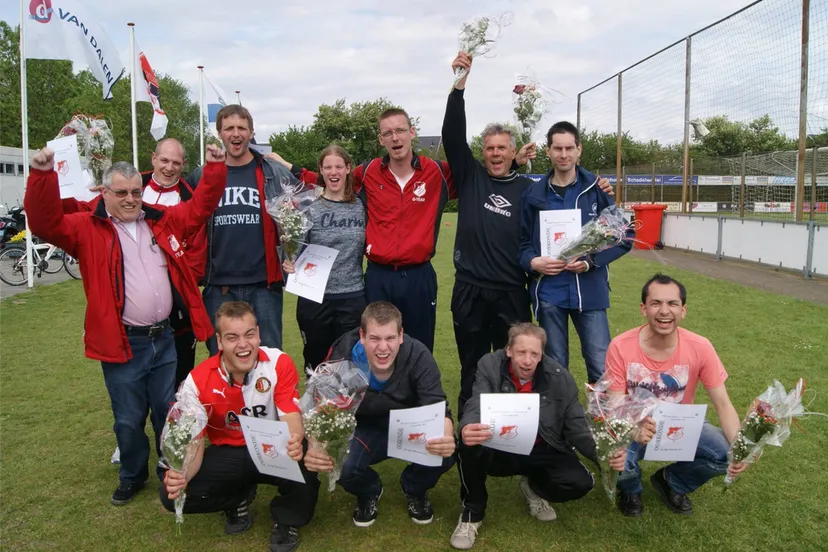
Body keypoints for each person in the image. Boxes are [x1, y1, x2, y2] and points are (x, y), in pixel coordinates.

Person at [24, 145, 227, 506]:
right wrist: (42, 175)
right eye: (121, 193)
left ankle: (172, 467)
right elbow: (43, 223)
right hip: (123, 343)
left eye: (135, 191)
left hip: (164, 338)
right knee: (129, 419)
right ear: (105, 193)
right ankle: (132, 475)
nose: (131, 199)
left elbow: (200, 208)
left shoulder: (159, 219)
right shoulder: (85, 228)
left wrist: (213, 168)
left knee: (168, 409)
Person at [268, 111, 533, 352]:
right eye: (388, 133)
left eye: (400, 130)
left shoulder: (438, 172)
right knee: (376, 347)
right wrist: (290, 167)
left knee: (419, 347)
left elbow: (481, 176)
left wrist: (513, 164)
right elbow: (332, 179)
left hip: (419, 277)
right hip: (378, 277)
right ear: (381, 139)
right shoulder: (369, 171)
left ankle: (420, 403)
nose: (395, 138)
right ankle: (378, 404)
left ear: (411, 133)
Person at [443, 51, 618, 415]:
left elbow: (568, 212)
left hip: (512, 290)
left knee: (516, 367)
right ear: (482, 152)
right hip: (470, 289)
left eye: (501, 148)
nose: (495, 154)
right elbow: (451, 134)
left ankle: (514, 428)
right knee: (472, 364)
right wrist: (459, 83)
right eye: (489, 148)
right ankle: (470, 429)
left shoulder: (529, 188)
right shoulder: (471, 176)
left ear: (512, 153)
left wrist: (600, 188)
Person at [450, 322, 630, 550]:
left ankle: (534, 488)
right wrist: (467, 426)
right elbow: (476, 400)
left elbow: (576, 426)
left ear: (542, 355)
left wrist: (604, 454)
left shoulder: (560, 377)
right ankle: (472, 514)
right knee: (468, 443)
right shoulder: (489, 365)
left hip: (542, 446)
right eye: (521, 352)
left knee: (580, 483)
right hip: (498, 447)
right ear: (508, 350)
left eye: (534, 354)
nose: (527, 360)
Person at [162, 301, 319, 552]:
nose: (243, 344)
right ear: (219, 341)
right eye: (232, 337)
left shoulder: (278, 362)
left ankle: (286, 519)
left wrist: (294, 438)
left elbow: (290, 412)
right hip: (229, 453)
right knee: (171, 495)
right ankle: (237, 499)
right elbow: (195, 442)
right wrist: (182, 477)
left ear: (258, 333)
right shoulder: (197, 380)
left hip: (272, 447)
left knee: (305, 456)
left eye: (249, 334)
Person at [62, 137, 204, 388]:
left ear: (184, 165)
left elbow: (197, 252)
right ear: (153, 158)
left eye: (175, 162)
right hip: (129, 312)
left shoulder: (188, 197)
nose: (169, 167)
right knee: (134, 385)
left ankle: (173, 422)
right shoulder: (130, 185)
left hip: (175, 308)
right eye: (164, 160)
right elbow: (92, 214)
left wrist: (176, 287)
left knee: (176, 382)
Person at [303, 301, 456, 527]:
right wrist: (315, 446)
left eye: (390, 338)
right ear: (362, 336)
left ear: (401, 335)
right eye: (374, 338)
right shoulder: (342, 355)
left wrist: (445, 438)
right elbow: (320, 409)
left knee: (446, 451)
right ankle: (369, 490)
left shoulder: (419, 355)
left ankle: (414, 487)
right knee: (342, 464)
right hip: (364, 428)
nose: (383, 348)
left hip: (410, 427)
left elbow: (438, 408)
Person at [606, 273, 746, 517]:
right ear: (643, 308)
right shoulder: (620, 346)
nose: (664, 311)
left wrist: (742, 449)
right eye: (656, 303)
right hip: (634, 425)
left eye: (672, 304)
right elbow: (615, 406)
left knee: (724, 453)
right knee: (616, 454)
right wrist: (633, 431)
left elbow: (723, 403)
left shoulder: (700, 346)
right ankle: (631, 489)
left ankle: (672, 482)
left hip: (679, 426)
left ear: (683, 310)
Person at [518, 121, 632, 384]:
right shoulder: (533, 195)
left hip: (590, 291)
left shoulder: (597, 189)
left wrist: (591, 261)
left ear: (579, 150)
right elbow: (523, 245)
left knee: (601, 364)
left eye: (569, 148)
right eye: (557, 148)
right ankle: (560, 424)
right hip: (549, 292)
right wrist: (534, 262)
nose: (564, 154)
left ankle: (604, 423)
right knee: (555, 367)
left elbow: (624, 236)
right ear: (548, 151)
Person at [186, 104, 300, 354]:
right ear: (219, 133)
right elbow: (172, 194)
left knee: (268, 359)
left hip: (264, 285)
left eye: (241, 128)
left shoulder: (273, 172)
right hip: (219, 285)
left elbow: (307, 204)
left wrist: (294, 255)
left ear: (251, 132)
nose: (235, 134)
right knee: (223, 360)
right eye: (229, 128)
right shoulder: (202, 175)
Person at [282, 145, 366, 376]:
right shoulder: (309, 208)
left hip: (352, 296)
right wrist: (289, 261)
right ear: (321, 170)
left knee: (349, 365)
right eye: (327, 167)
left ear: (348, 169)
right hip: (314, 298)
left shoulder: (361, 207)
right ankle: (316, 410)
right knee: (316, 364)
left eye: (339, 166)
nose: (333, 172)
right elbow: (295, 249)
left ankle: (349, 412)